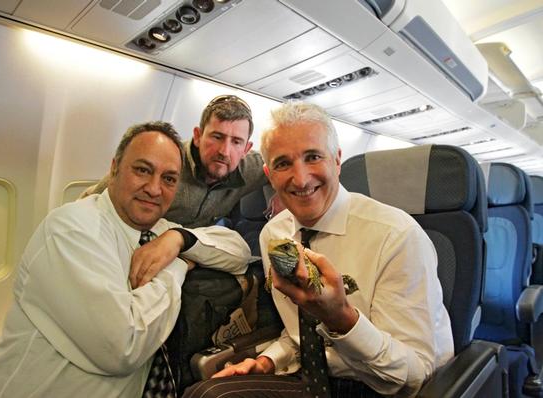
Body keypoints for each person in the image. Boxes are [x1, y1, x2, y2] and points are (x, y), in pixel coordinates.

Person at [183, 102, 454, 398]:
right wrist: (267, 361)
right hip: (312, 376)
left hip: (382, 387)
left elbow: (416, 375)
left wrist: (342, 318)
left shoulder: (396, 235)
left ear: (337, 160)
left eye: (313, 157)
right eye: (283, 164)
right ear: (269, 174)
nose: (300, 179)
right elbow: (300, 334)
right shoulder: (274, 234)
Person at [0, 122, 251, 398]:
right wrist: (175, 265)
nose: (154, 189)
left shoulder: (159, 230)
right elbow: (123, 348)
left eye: (168, 179)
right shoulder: (72, 228)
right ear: (114, 168)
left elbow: (238, 252)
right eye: (143, 170)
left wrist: (179, 239)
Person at [82, 94, 267, 228]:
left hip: (188, 253)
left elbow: (290, 156)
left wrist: (284, 198)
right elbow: (92, 200)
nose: (224, 151)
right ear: (197, 136)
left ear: (246, 149)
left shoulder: (250, 169)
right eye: (217, 137)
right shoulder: (166, 158)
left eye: (236, 142)